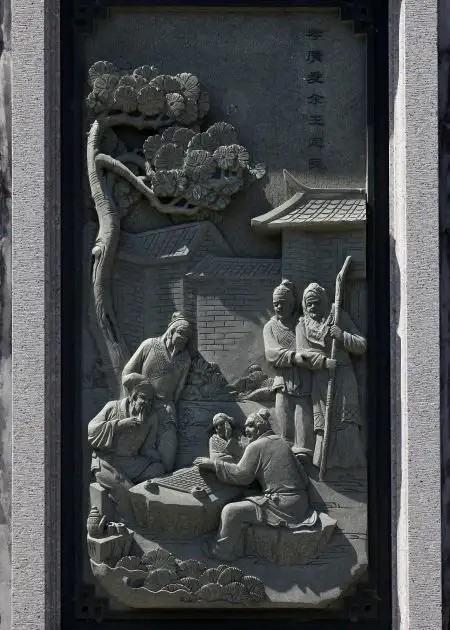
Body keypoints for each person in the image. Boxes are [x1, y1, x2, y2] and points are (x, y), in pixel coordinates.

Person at [195, 408, 317, 562]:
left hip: (283, 506)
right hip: (302, 502)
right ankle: (238, 546)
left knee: (230, 511)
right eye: (245, 426)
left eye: (250, 426)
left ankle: (222, 551)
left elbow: (241, 475)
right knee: (247, 498)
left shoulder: (256, 446)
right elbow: (304, 479)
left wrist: (213, 464)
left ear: (260, 427)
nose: (246, 430)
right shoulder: (282, 442)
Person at [296, 283, 367, 470]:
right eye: (309, 304)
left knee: (347, 420)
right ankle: (325, 463)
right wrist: (323, 361)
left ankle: (351, 464)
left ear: (324, 301)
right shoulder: (302, 325)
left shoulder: (338, 317)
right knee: (324, 424)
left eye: (316, 303)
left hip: (343, 375)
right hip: (321, 378)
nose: (312, 307)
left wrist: (342, 335)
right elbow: (301, 355)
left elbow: (361, 345)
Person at [88, 373, 165, 522]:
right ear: (133, 397)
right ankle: (130, 524)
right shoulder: (113, 407)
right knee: (126, 491)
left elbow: (147, 448)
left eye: (150, 400)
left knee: (158, 470)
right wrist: (119, 425)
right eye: (143, 398)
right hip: (106, 461)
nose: (146, 403)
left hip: (131, 462)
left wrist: (159, 460)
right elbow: (92, 430)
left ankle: (150, 514)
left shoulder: (151, 418)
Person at [121, 312, 192, 473]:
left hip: (167, 410)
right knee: (137, 448)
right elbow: (127, 373)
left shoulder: (185, 359)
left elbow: (179, 389)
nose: (184, 338)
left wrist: (171, 407)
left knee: (168, 455)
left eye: (187, 337)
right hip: (143, 406)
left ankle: (162, 481)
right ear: (171, 331)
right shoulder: (149, 345)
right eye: (181, 332)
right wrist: (134, 399)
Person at [263, 280, 313, 453]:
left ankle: (304, 452)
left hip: (303, 379)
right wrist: (293, 357)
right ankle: (286, 453)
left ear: (291, 305)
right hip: (282, 381)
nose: (278, 307)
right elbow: (270, 353)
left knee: (303, 419)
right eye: (275, 304)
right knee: (284, 422)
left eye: (282, 303)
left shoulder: (302, 324)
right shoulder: (270, 327)